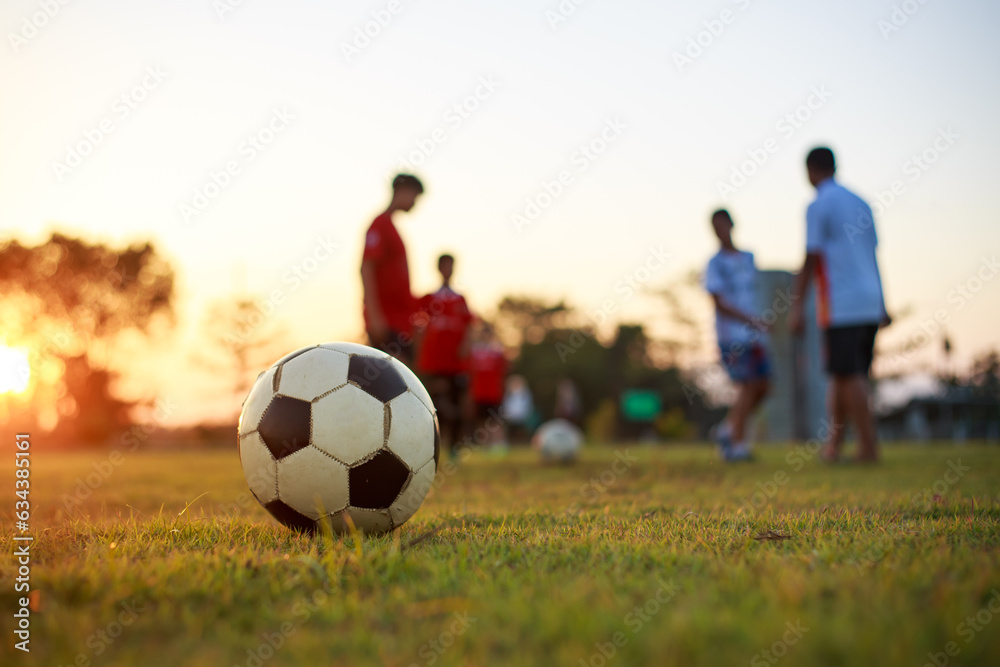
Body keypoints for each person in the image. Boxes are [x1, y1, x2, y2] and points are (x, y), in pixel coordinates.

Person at [789, 147, 889, 464]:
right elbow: (872, 255)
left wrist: (795, 307)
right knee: (841, 375)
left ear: (810, 170)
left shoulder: (819, 205)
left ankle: (868, 447)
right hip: (869, 299)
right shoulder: (861, 202)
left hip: (841, 304)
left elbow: (811, 257)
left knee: (850, 373)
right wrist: (883, 302)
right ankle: (834, 445)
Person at [704, 208, 770, 461]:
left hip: (754, 335)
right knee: (746, 385)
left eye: (723, 225)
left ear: (731, 225)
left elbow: (756, 293)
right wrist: (751, 319)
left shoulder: (749, 258)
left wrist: (763, 320)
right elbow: (719, 302)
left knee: (763, 387)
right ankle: (737, 446)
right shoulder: (715, 263)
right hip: (732, 336)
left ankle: (728, 429)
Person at [414, 254, 474, 458]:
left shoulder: (460, 299)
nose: (448, 269)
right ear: (439, 268)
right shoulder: (429, 298)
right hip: (434, 362)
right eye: (444, 265)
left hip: (456, 364)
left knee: (457, 405)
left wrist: (466, 346)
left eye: (451, 266)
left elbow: (469, 326)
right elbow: (417, 325)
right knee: (434, 404)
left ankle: (455, 448)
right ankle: (430, 448)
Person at [360, 173, 424, 364]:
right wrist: (375, 316)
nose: (414, 203)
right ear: (402, 192)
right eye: (414, 196)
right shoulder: (380, 225)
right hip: (387, 321)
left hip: (401, 322)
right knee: (390, 381)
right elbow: (366, 268)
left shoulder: (392, 228)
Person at [468, 322, 508, 448]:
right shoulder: (474, 352)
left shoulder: (497, 352)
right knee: (481, 421)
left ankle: (498, 445)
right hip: (479, 394)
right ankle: (484, 445)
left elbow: (504, 372)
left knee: (495, 421)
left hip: (494, 394)